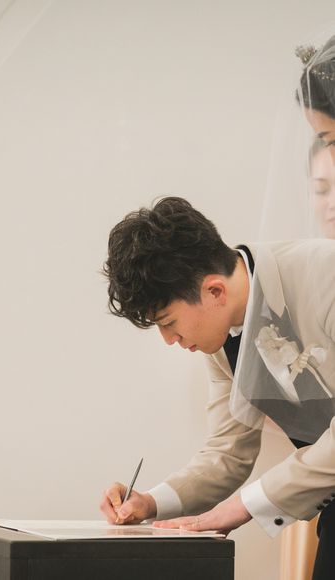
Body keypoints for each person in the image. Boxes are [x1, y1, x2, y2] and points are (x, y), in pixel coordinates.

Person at [99, 196, 335, 580]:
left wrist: (242, 507)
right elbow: (229, 451)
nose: (169, 340)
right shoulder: (218, 338)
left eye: (168, 322)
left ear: (214, 291)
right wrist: (150, 502)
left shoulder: (327, 276)